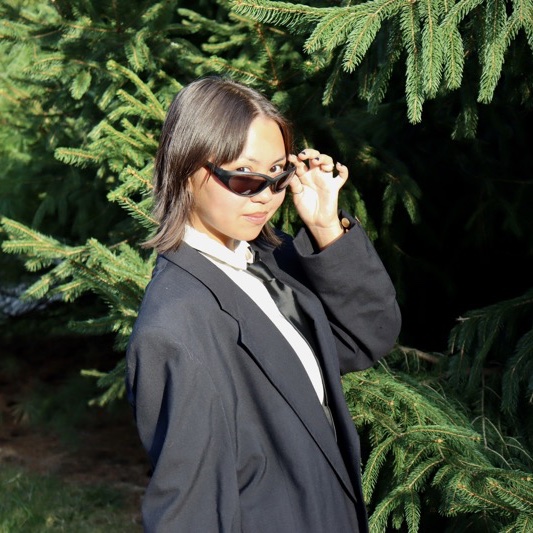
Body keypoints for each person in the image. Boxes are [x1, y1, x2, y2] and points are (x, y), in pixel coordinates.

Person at [126, 76, 401, 533]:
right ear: (186, 168)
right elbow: (191, 510)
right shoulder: (176, 327)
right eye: (246, 177)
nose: (266, 196)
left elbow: (367, 335)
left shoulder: (267, 261)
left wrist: (325, 225)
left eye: (279, 175)